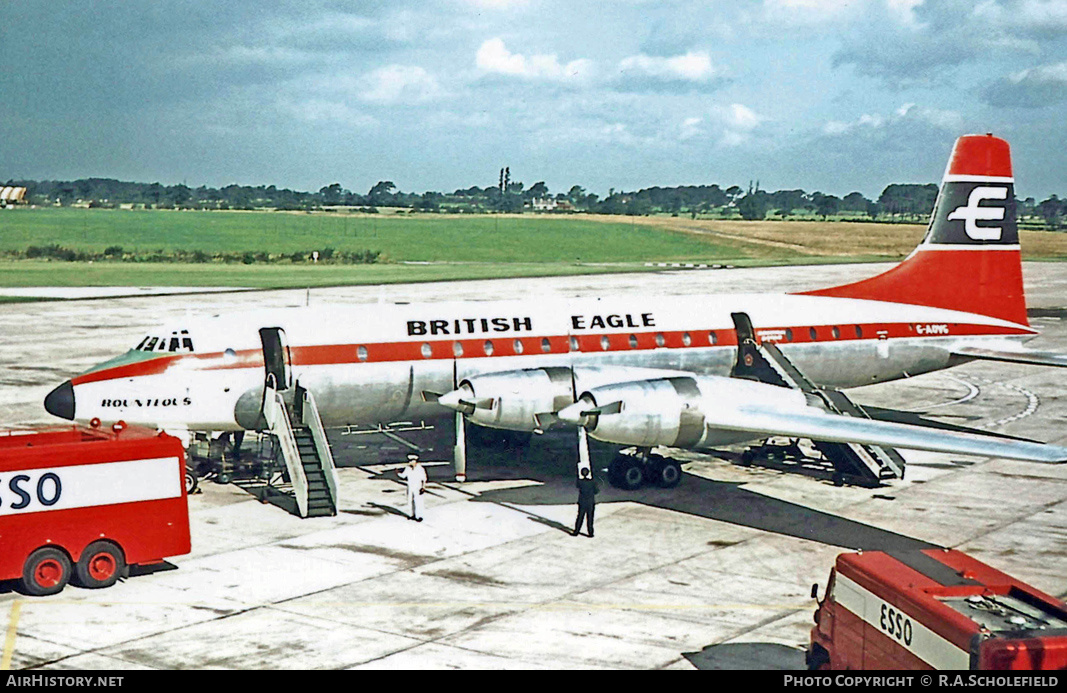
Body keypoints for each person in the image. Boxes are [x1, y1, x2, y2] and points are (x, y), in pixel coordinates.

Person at [397, 453, 427, 521]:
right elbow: (403, 475)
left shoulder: (420, 469)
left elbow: (424, 479)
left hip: (418, 487)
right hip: (410, 487)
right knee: (410, 501)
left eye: (411, 461)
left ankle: (419, 516)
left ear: (415, 461)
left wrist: (423, 487)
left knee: (418, 501)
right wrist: (398, 473)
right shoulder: (408, 468)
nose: (409, 462)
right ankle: (412, 515)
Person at [573, 466, 599, 537]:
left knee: (580, 517)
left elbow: (577, 485)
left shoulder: (580, 481)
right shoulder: (592, 482)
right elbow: (596, 491)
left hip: (582, 501)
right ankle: (590, 533)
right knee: (590, 517)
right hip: (590, 502)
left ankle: (576, 531)